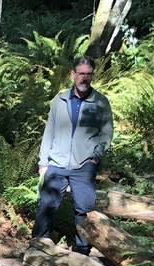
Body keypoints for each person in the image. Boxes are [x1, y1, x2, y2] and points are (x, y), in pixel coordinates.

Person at [34, 56, 113, 254]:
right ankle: (37, 247)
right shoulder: (59, 100)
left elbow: (107, 132)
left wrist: (96, 156)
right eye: (81, 74)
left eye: (88, 74)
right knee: (46, 205)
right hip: (57, 162)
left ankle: (82, 252)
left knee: (84, 210)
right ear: (73, 75)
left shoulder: (100, 102)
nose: (84, 78)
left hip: (84, 164)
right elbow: (49, 132)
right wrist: (43, 162)